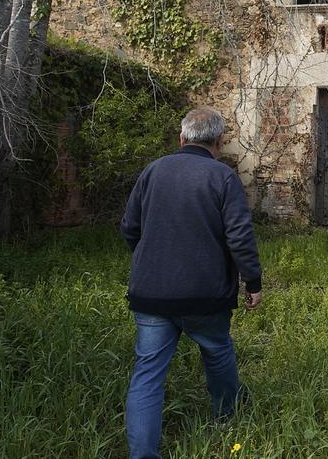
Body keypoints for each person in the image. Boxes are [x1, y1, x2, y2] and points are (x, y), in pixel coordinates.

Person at [119, 106, 262, 459]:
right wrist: (253, 282)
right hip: (206, 294)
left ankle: (142, 455)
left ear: (181, 138)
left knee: (148, 373)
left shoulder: (153, 171)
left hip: (151, 293)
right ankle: (227, 420)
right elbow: (240, 237)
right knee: (217, 352)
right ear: (219, 141)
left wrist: (152, 258)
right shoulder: (222, 177)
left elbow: (129, 228)